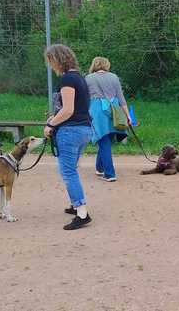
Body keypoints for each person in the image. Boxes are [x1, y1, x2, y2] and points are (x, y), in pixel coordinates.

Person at [44, 44, 94, 230]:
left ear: (57, 60)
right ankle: (76, 205)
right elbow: (75, 108)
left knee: (68, 172)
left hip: (70, 131)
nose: (50, 66)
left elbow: (68, 110)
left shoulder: (67, 80)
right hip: (83, 128)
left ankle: (82, 213)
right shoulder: (79, 78)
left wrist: (51, 125)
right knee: (72, 169)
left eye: (50, 61)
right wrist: (54, 117)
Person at [85, 57, 133, 182]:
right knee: (106, 140)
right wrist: (128, 116)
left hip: (97, 110)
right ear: (107, 65)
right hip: (114, 111)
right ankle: (99, 168)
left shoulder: (88, 78)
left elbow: (85, 98)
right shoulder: (114, 77)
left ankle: (109, 174)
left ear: (94, 65)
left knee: (103, 140)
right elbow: (121, 98)